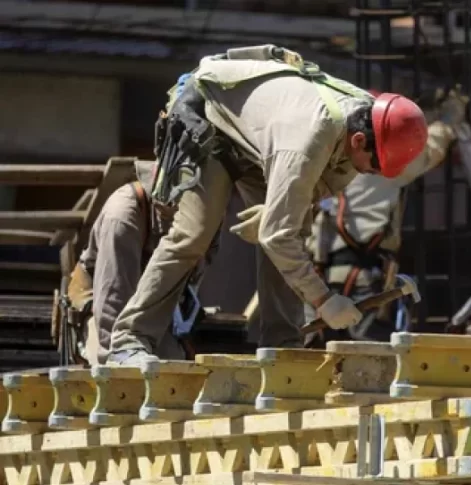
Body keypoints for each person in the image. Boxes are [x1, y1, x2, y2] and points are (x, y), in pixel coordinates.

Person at [105, 44, 428, 365]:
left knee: (292, 232)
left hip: (260, 139)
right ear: (358, 141)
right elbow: (278, 236)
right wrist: (323, 299)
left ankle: (283, 347)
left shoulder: (367, 120)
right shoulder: (308, 139)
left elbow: (310, 197)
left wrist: (279, 212)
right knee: (194, 235)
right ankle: (129, 339)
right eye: (371, 166)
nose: (369, 173)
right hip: (209, 117)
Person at [301, 88, 468, 347]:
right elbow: (430, 148)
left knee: (311, 347)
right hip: (362, 277)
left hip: (317, 277)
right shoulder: (384, 162)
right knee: (366, 350)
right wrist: (450, 115)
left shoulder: (329, 155)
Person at [65, 160, 218, 365]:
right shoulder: (122, 216)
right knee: (124, 369)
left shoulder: (206, 213)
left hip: (153, 307)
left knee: (176, 371)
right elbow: (112, 306)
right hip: (102, 310)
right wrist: (116, 369)